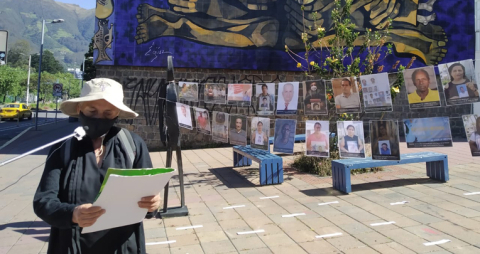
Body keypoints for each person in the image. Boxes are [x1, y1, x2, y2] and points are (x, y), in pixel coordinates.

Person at [34, 78, 159, 253]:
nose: (99, 118)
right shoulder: (62, 149)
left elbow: (147, 196)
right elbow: (43, 202)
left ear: (117, 114)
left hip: (123, 247)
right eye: (92, 111)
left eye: (108, 113)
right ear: (79, 109)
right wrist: (73, 214)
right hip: (73, 246)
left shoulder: (133, 145)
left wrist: (152, 204)